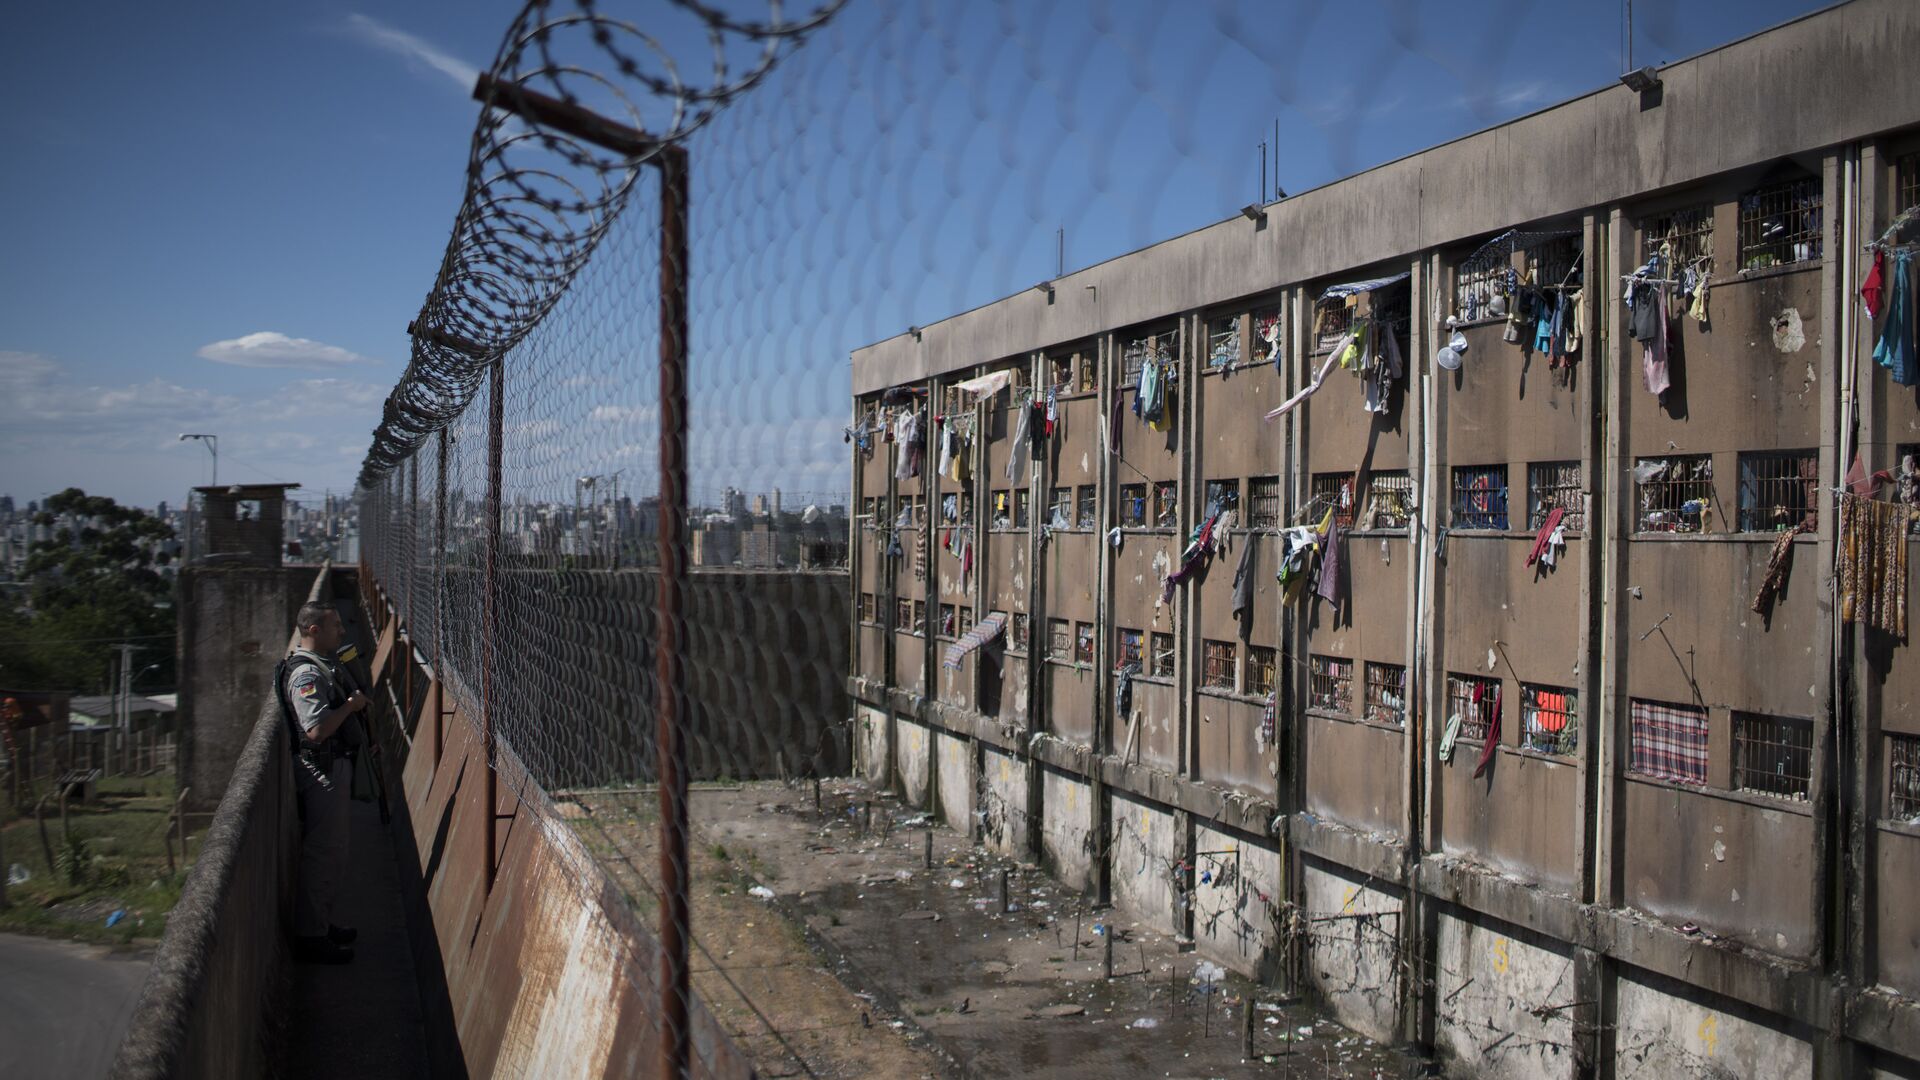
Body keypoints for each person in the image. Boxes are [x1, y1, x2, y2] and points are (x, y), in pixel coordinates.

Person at [278, 600, 369, 964]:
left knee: (333, 854)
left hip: (330, 769)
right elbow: (315, 730)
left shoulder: (317, 666)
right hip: (321, 773)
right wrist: (350, 706)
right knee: (323, 854)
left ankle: (321, 923)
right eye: (335, 626)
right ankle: (312, 935)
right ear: (314, 630)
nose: (342, 631)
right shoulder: (306, 675)